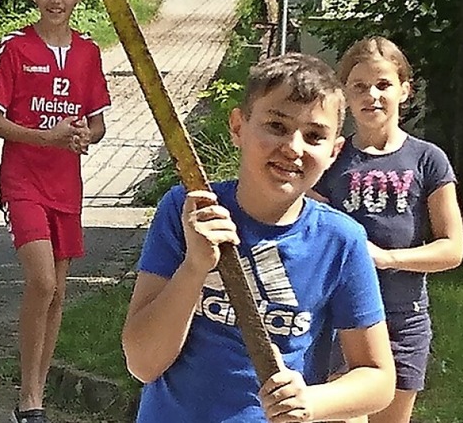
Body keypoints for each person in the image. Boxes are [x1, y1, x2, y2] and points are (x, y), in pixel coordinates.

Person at [122, 53, 395, 422]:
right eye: (277, 126)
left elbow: (377, 378)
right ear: (238, 126)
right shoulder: (187, 211)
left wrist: (313, 402)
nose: (294, 148)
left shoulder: (340, 241)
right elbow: (143, 363)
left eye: (314, 136)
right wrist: (194, 267)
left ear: (334, 152)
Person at [0, 0, 111, 423]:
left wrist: (81, 135)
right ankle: (28, 395)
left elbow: (96, 124)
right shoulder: (16, 47)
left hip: (66, 186)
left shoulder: (88, 52)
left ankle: (35, 394)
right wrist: (44, 137)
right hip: (23, 181)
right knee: (41, 280)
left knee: (58, 292)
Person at [311, 36, 463, 423]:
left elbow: (452, 249)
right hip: (337, 319)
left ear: (404, 90)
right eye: (360, 86)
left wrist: (385, 258)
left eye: (383, 85)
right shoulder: (329, 158)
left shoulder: (428, 159)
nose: (372, 95)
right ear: (345, 94)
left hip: (403, 319)